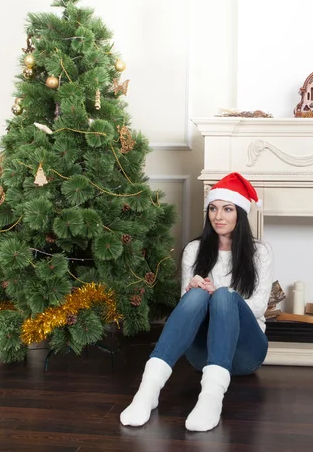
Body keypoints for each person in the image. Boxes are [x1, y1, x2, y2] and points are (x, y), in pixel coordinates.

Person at [120, 172, 274, 432]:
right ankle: (147, 391)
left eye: (227, 209)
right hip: (201, 356)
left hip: (246, 353)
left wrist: (222, 293)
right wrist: (193, 290)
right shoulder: (194, 250)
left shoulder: (260, 252)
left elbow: (259, 305)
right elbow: (186, 314)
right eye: (213, 209)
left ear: (240, 213)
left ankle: (211, 398)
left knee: (224, 295)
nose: (218, 216)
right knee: (196, 293)